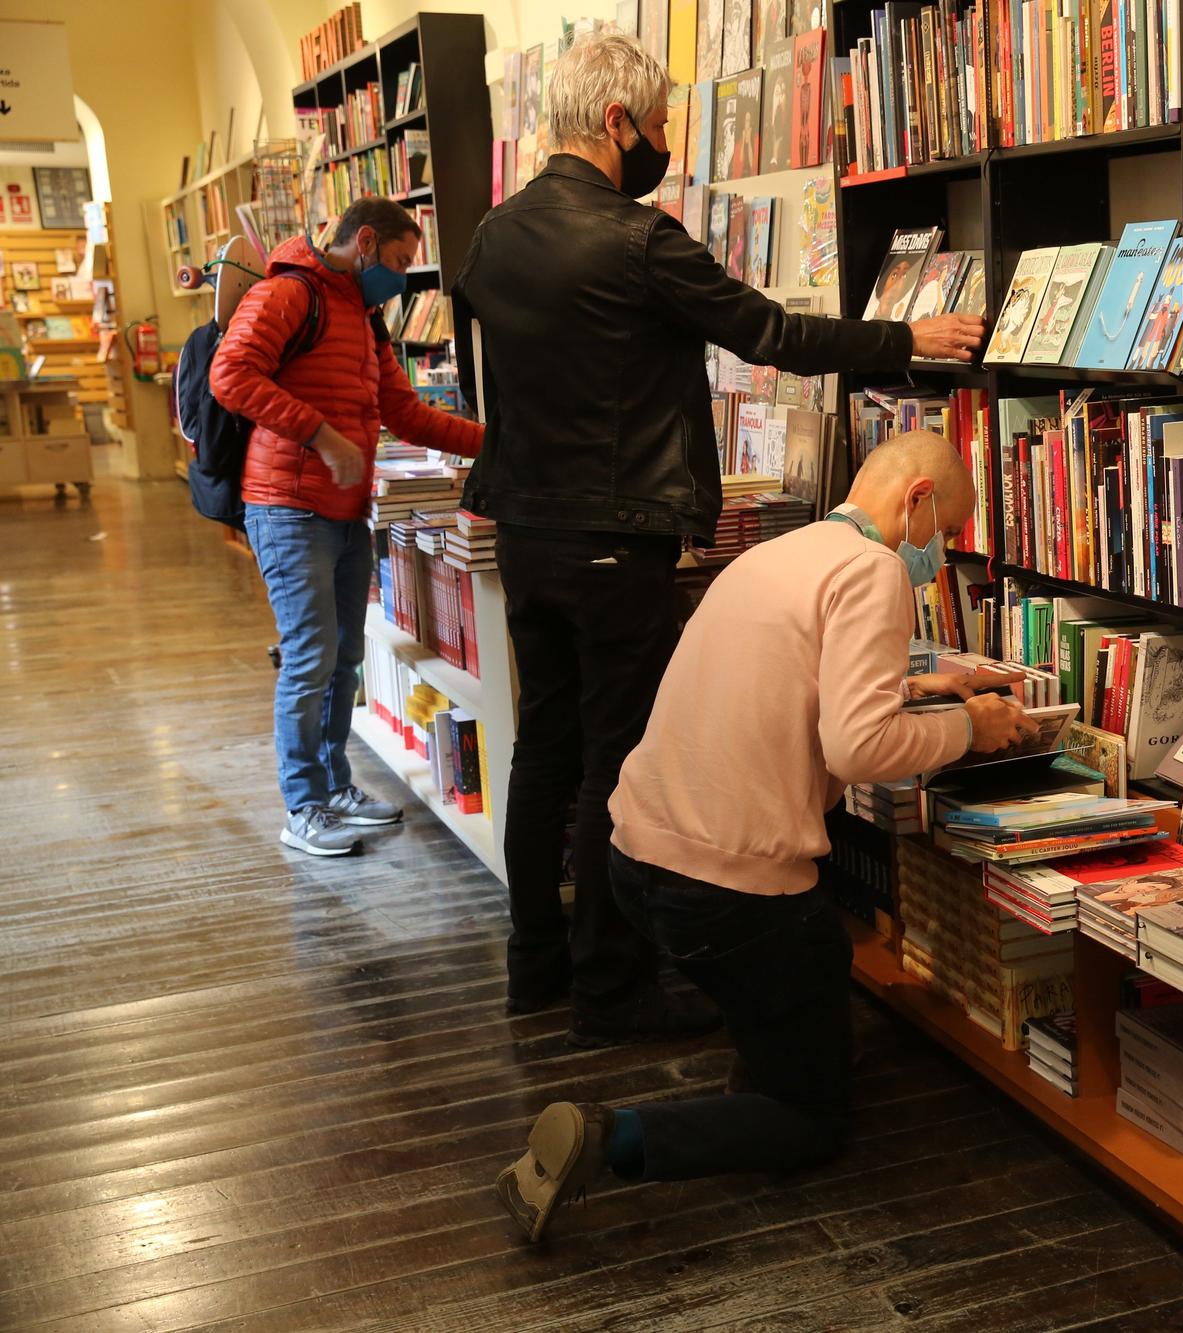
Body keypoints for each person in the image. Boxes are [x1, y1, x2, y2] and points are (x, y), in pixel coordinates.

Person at [452, 33, 985, 1047]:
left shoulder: (490, 238)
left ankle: (535, 964)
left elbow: (501, 390)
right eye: (655, 128)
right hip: (618, 536)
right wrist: (901, 340)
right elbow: (771, 335)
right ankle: (610, 988)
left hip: (524, 528)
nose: (660, 146)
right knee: (616, 753)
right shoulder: (635, 239)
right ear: (616, 124)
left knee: (546, 747)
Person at [494, 432, 1036, 1242]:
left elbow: (792, 675)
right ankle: (617, 1137)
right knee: (812, 1112)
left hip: (635, 853)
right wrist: (969, 722)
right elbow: (860, 749)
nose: (942, 553)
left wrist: (918, 684)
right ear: (917, 499)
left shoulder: (789, 550)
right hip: (727, 888)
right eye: (948, 532)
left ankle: (771, 1053)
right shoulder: (874, 568)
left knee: (804, 982)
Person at [211, 196, 483, 857]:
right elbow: (230, 374)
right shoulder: (288, 294)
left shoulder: (363, 317)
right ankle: (302, 805)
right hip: (286, 507)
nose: (399, 278)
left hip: (344, 511)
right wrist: (322, 434)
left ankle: (334, 788)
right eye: (396, 261)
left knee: (342, 661)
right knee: (308, 658)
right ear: (363, 241)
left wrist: (499, 442)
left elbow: (407, 413)